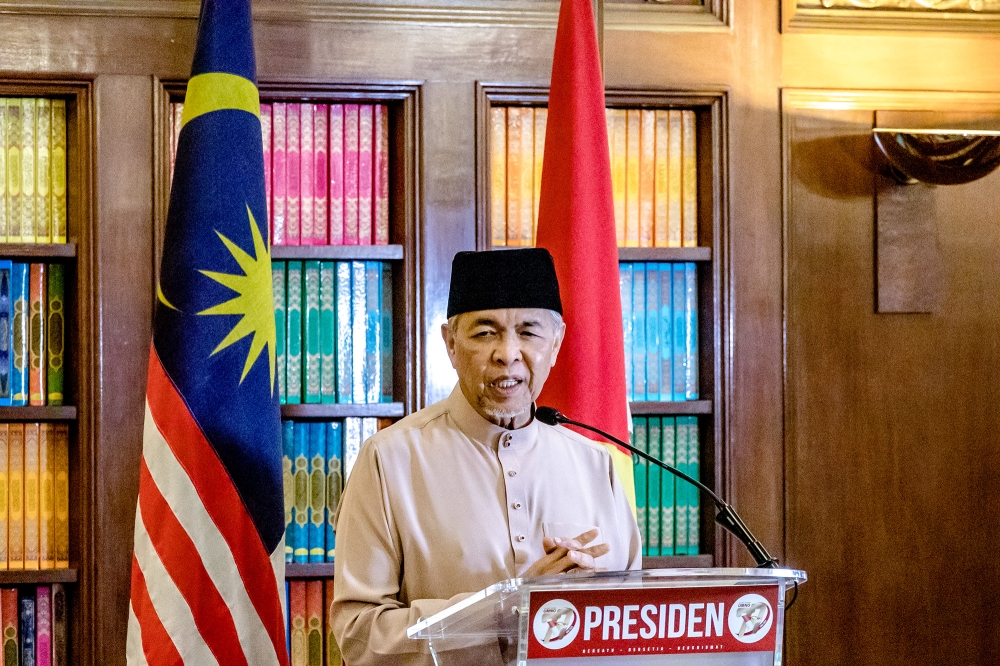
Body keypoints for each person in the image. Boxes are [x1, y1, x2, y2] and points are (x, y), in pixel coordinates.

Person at [331, 248, 641, 666]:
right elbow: (359, 637)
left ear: (556, 343)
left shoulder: (596, 465)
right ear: (451, 344)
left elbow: (637, 626)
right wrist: (507, 610)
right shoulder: (389, 461)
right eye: (485, 333)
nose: (508, 353)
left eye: (529, 332)